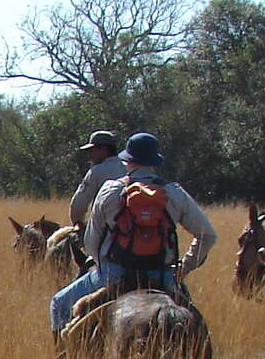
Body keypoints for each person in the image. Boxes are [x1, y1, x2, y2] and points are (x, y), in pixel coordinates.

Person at [51, 132, 216, 334]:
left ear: (127, 161)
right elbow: (207, 235)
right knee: (192, 322)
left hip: (113, 274)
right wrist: (183, 268)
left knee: (58, 304)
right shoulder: (174, 192)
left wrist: (101, 263)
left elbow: (91, 242)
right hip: (162, 275)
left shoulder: (110, 190)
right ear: (155, 161)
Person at [66, 130, 131, 230]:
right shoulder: (129, 168)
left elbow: (78, 204)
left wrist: (77, 222)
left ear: (104, 149)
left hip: (104, 228)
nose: (90, 155)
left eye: (92, 150)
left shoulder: (96, 171)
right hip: (132, 228)